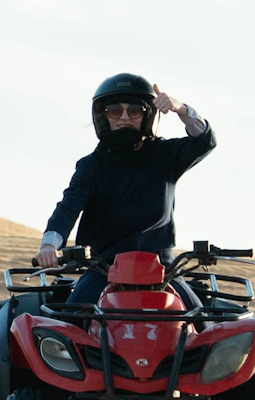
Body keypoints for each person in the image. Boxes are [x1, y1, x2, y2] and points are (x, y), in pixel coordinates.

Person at [36, 72, 215, 309]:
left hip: (162, 270)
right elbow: (68, 207)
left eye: (134, 110)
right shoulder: (90, 166)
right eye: (114, 111)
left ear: (147, 115)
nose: (124, 118)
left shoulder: (166, 156)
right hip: (104, 270)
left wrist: (181, 109)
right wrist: (49, 244)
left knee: (200, 323)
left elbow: (204, 141)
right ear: (104, 116)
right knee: (70, 323)